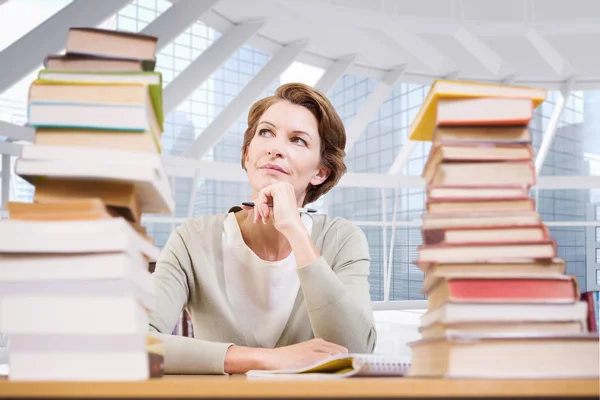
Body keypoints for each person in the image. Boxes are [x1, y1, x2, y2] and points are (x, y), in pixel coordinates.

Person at [149, 82, 376, 375]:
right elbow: (135, 343)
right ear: (247, 154)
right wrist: (266, 359)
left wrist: (295, 232)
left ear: (320, 172)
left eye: (298, 140)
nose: (274, 148)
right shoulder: (192, 240)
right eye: (266, 132)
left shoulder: (343, 239)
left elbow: (355, 351)